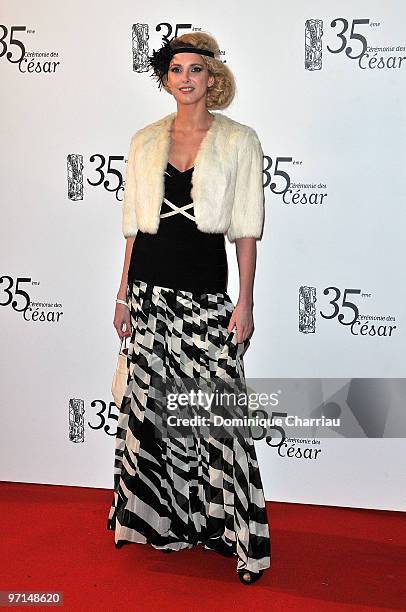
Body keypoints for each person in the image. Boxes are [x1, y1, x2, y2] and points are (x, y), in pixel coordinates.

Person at [107, 32, 271, 585]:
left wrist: (244, 301)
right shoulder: (145, 141)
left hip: (206, 296)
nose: (184, 77)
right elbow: (133, 229)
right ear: (166, 78)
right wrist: (123, 292)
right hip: (150, 294)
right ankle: (164, 524)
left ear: (212, 79)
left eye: (195, 69)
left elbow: (246, 232)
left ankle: (233, 532)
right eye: (175, 69)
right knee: (151, 412)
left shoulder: (239, 140)